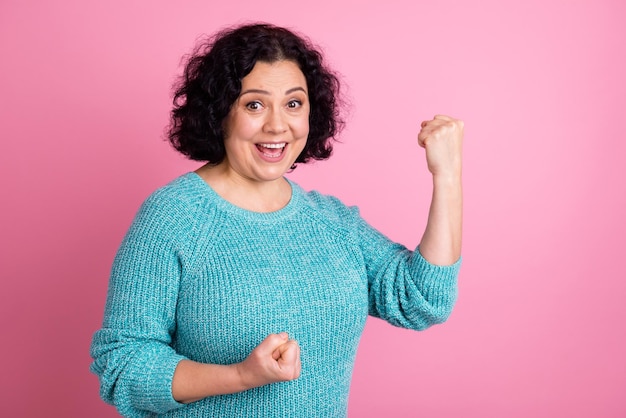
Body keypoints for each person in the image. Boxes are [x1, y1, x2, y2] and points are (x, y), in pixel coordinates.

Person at [90, 22, 464, 417]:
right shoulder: (173, 217)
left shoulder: (332, 223)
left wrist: (448, 176)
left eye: (293, 103)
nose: (277, 125)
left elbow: (424, 299)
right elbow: (123, 365)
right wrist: (240, 376)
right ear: (221, 113)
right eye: (254, 104)